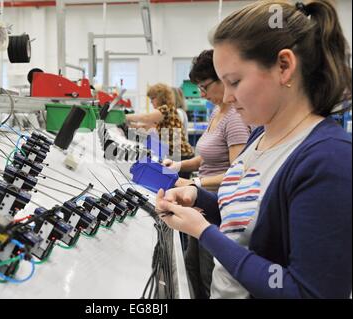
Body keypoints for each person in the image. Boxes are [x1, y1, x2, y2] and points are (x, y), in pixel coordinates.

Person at [156, 0, 352, 298]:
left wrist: (205, 233)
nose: (228, 97)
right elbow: (249, 224)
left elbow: (309, 292)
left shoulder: (329, 158)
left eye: (234, 81)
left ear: (284, 67)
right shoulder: (260, 135)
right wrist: (200, 199)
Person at [165, 50, 251, 299]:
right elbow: (205, 156)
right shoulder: (217, 112)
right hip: (199, 201)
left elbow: (238, 173)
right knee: (190, 265)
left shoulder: (234, 118)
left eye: (204, 87)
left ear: (222, 79)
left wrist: (197, 183)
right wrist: (179, 166)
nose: (201, 95)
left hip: (216, 208)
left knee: (207, 274)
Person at [126, 83, 194, 165]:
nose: (151, 102)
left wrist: (125, 117)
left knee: (173, 177)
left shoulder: (166, 109)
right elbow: (146, 126)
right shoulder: (163, 113)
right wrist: (129, 125)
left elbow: (147, 118)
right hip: (175, 155)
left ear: (161, 97)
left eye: (153, 98)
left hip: (181, 156)